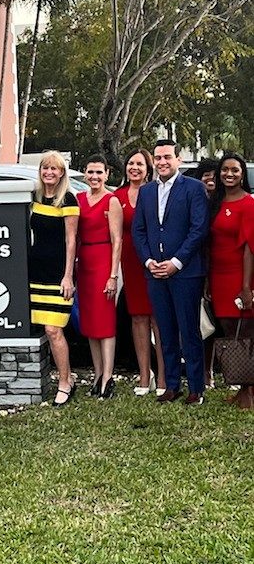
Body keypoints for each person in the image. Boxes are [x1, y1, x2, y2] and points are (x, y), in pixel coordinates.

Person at [132, 139, 210, 405]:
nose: (162, 162)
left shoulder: (194, 189)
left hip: (185, 272)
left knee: (189, 330)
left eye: (167, 157)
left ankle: (196, 388)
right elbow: (139, 231)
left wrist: (177, 261)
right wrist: (148, 261)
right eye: (158, 157)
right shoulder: (146, 192)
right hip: (155, 272)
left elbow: (199, 229)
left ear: (178, 159)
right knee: (165, 331)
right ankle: (172, 385)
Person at [28, 152, 79, 407]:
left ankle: (64, 382)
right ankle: (64, 378)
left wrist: (68, 276)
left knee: (54, 330)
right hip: (36, 273)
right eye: (45, 168)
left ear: (61, 173)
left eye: (54, 169)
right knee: (44, 330)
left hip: (58, 275)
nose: (49, 172)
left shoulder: (68, 199)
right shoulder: (34, 197)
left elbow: (71, 241)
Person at [113, 150, 166, 396]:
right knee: (138, 318)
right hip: (129, 263)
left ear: (148, 168)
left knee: (159, 318)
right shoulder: (117, 196)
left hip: (154, 260)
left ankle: (165, 376)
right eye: (131, 163)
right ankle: (145, 376)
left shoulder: (156, 192)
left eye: (140, 164)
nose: (135, 168)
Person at [208, 152, 254, 409]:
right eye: (225, 170)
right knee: (228, 330)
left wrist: (246, 287)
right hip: (218, 275)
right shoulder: (216, 202)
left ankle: (249, 391)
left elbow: (249, 246)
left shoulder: (248, 203)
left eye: (235, 170)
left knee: (246, 332)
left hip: (240, 275)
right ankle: (241, 387)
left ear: (242, 174)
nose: (229, 174)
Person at [76, 155, 123, 399]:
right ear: (85, 173)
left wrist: (112, 275)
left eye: (99, 172)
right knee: (90, 322)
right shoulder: (79, 199)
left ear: (107, 174)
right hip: (84, 262)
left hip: (104, 259)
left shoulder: (111, 200)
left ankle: (108, 376)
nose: (94, 177)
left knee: (105, 322)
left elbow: (117, 240)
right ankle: (96, 374)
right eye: (90, 172)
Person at [186, 158, 222, 388]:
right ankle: (205, 371)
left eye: (213, 174)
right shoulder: (194, 201)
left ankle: (231, 368)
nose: (209, 178)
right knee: (203, 323)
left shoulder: (224, 202)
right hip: (198, 267)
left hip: (223, 268)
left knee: (222, 323)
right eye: (204, 175)